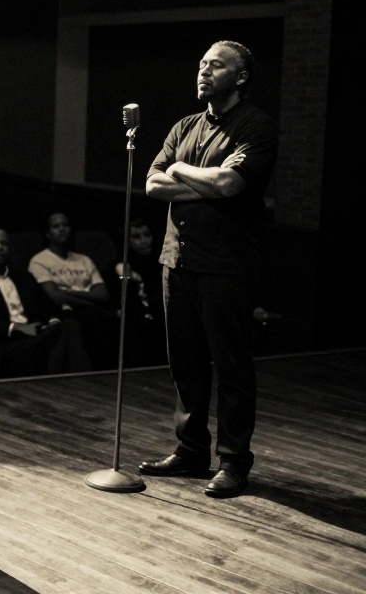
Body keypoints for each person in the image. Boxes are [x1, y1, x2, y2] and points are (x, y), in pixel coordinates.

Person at [138, 40, 278, 499]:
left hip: (227, 267)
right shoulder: (185, 126)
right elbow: (153, 184)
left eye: (216, 65)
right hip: (176, 260)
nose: (203, 71)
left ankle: (234, 463)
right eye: (201, 64)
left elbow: (231, 182)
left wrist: (182, 169)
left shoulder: (255, 126)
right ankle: (191, 451)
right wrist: (203, 183)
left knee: (232, 368)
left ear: (239, 77)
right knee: (186, 366)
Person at [0, 229, 90, 378]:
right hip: (5, 343)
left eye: (4, 243)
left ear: (11, 249)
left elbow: (47, 305)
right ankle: (77, 383)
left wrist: (52, 321)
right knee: (63, 339)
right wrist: (15, 327)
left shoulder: (24, 277)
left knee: (68, 326)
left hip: (35, 334)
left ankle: (68, 383)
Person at [28, 212, 115, 369]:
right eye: (56, 226)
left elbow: (103, 294)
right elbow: (54, 295)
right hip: (67, 312)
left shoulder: (84, 260)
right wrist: (89, 299)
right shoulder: (39, 260)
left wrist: (67, 292)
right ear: (48, 233)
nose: (62, 229)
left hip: (93, 310)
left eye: (65, 225)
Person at [104, 218, 166, 367]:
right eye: (137, 237)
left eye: (147, 235)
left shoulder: (162, 262)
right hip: (137, 321)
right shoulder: (121, 266)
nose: (144, 241)